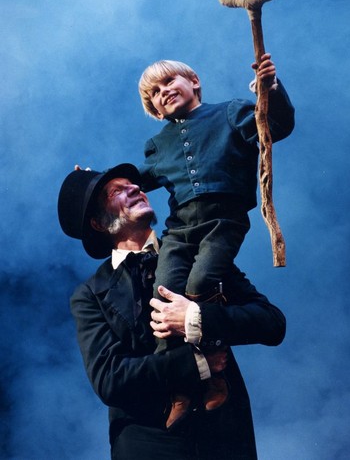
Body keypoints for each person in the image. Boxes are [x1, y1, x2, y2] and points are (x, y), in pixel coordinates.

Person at [58, 163, 286, 460]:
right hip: (146, 443)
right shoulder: (90, 295)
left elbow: (271, 322)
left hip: (224, 438)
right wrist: (197, 364)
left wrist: (197, 318)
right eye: (118, 190)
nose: (136, 188)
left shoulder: (200, 257)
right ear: (98, 224)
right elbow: (110, 379)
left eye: (134, 185)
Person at [137, 53, 294, 418]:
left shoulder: (230, 112)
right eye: (155, 94)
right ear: (156, 112)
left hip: (223, 220)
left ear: (193, 81)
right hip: (179, 229)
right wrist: (98, 180)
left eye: (169, 82)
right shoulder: (159, 145)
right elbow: (135, 179)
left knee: (202, 280)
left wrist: (270, 90)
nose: (164, 92)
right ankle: (179, 385)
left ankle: (215, 370)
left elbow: (275, 126)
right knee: (163, 295)